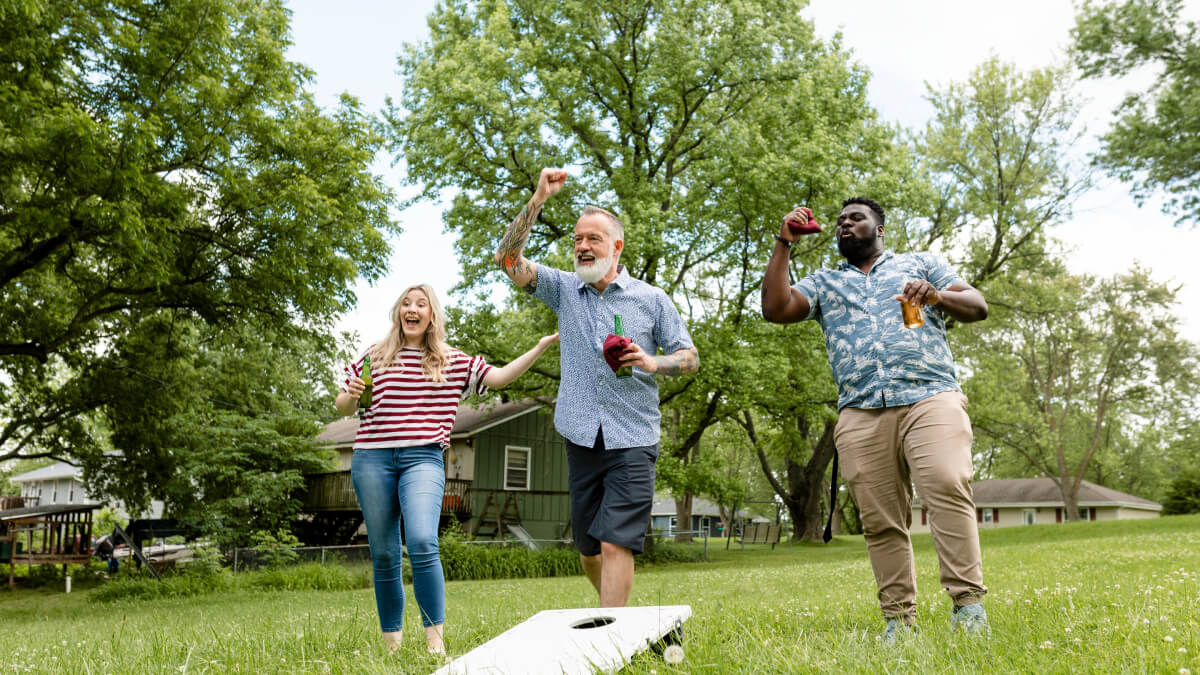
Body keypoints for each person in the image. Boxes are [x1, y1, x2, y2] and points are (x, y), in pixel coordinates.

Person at [761, 198, 991, 641]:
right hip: (862, 410)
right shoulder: (825, 282)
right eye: (840, 221)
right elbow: (776, 309)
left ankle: (968, 606)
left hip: (930, 397)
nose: (845, 224)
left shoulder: (920, 264)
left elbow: (977, 305)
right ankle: (899, 621)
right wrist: (784, 242)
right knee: (880, 519)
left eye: (856, 218)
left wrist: (937, 295)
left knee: (946, 481)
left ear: (880, 228)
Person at [493, 168, 699, 608]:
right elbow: (508, 261)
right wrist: (538, 198)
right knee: (589, 554)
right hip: (581, 434)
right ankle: (620, 616)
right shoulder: (564, 290)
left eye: (593, 239)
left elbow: (690, 358)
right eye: (577, 240)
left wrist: (651, 361)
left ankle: (612, 636)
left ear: (616, 247)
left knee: (614, 544)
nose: (583, 247)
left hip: (634, 437)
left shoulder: (651, 299)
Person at [336, 283, 558, 654]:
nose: (411, 309)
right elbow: (344, 406)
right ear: (398, 313)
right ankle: (392, 647)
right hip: (372, 458)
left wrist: (538, 348)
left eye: (420, 304)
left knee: (422, 540)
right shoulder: (375, 355)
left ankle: (434, 646)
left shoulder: (451, 361)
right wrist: (352, 393)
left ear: (431, 315)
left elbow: (500, 377)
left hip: (422, 457)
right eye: (405, 303)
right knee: (386, 553)